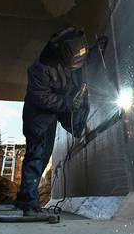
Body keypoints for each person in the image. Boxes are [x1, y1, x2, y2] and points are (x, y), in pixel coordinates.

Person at [15, 27, 107, 216]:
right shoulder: (40, 68)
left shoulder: (70, 55)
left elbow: (81, 62)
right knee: (36, 156)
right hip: (38, 119)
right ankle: (29, 205)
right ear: (62, 55)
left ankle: (24, 197)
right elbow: (41, 98)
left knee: (45, 154)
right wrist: (67, 104)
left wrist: (95, 51)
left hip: (52, 116)